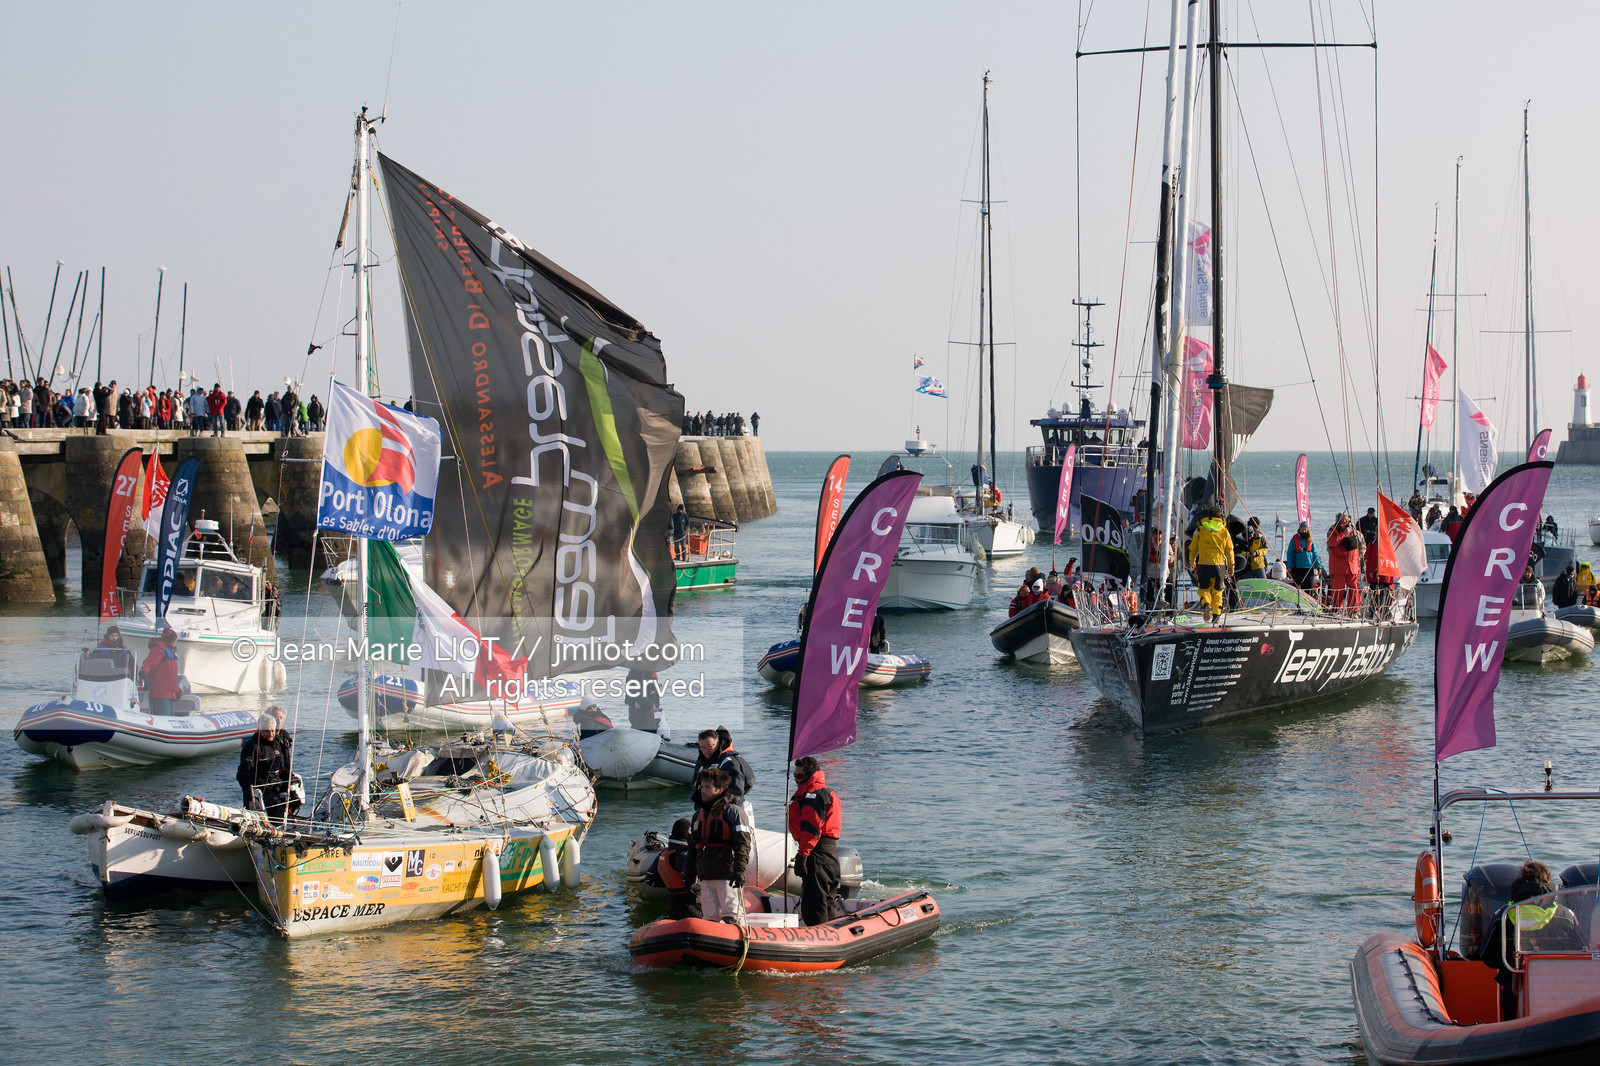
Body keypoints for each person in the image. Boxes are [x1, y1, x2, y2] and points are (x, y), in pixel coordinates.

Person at [1479, 860, 1583, 1021]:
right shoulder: (1566, 915)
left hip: (1514, 993)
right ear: (1548, 884)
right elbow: (1581, 954)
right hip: (1559, 992)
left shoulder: (1504, 915)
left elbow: (1489, 957)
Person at [689, 768, 751, 923]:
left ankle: (742, 941)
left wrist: (739, 872)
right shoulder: (698, 815)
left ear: (720, 790)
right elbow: (692, 848)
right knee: (709, 918)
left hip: (727, 876)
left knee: (733, 916)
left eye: (708, 787)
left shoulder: (734, 813)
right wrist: (689, 874)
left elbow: (742, 846)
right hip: (706, 876)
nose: (703, 791)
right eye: (702, 787)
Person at [787, 756, 842, 927]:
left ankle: (822, 940)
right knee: (826, 902)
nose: (795, 780)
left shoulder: (813, 795)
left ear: (810, 775)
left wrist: (802, 856)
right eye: (794, 776)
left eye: (799, 776)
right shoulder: (822, 793)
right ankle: (832, 934)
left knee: (814, 905)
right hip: (829, 854)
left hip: (816, 853)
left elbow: (811, 830)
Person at [237, 712, 297, 821]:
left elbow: (284, 768)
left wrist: (290, 787)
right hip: (259, 792)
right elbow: (243, 774)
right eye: (266, 731)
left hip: (276, 789)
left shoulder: (278, 744)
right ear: (259, 731)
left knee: (284, 813)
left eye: (272, 731)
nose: (270, 734)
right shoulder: (253, 747)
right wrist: (251, 797)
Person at [1187, 507, 1234, 623]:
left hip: (1203, 564)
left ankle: (1206, 603)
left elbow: (1193, 548)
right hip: (1219, 566)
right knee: (1218, 592)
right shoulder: (1224, 531)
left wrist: (1192, 561)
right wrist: (1231, 566)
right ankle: (1216, 616)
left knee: (1204, 589)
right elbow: (1230, 550)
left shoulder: (1200, 529)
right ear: (1220, 517)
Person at [692, 728, 756, 813]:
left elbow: (736, 789)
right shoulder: (702, 761)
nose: (706, 751)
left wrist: (722, 807)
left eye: (709, 747)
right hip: (705, 809)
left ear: (718, 743)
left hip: (726, 810)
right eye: (702, 748)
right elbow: (696, 784)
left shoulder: (729, 762)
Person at [656, 818, 701, 920]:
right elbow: (690, 884)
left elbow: (651, 880)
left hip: (673, 904)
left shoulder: (663, 854)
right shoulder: (685, 855)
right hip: (690, 906)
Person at [1326, 513, 1365, 615]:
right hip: (1339, 566)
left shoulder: (1355, 532)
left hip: (1352, 565)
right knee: (1338, 589)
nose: (1346, 523)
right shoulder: (1332, 531)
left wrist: (1358, 561)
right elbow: (1332, 542)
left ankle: (1353, 611)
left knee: (1354, 589)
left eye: (1347, 521)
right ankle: (1336, 609)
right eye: (1344, 521)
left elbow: (1361, 547)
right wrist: (1344, 534)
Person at [140, 631, 182, 716]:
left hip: (169, 695)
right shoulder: (159, 650)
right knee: (164, 720)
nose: (176, 642)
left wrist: (176, 690)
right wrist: (143, 672)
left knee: (170, 722)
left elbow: (170, 676)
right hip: (161, 694)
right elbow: (150, 662)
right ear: (171, 640)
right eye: (175, 639)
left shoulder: (168, 651)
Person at [1287, 521, 1322, 595]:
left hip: (1308, 568)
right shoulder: (1294, 539)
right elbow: (1289, 553)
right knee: (1297, 588)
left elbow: (1315, 554)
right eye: (1302, 529)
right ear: (1299, 529)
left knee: (1309, 587)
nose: (1304, 531)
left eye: (1305, 529)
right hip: (1297, 568)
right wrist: (1289, 566)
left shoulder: (1310, 540)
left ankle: (1308, 603)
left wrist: (1318, 567)